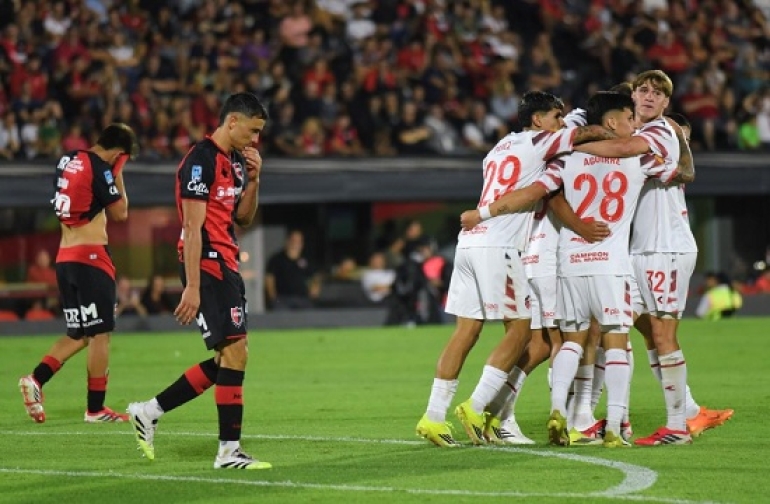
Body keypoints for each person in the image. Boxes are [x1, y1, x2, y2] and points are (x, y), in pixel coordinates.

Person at [415, 91, 616, 447]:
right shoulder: (542, 142)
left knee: (466, 331)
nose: (559, 122)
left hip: (469, 245)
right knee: (522, 332)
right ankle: (477, 407)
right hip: (499, 243)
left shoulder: (499, 149)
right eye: (555, 115)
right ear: (537, 120)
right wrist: (611, 127)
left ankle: (433, 417)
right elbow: (584, 136)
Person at [568, 71, 733, 444]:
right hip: (635, 250)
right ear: (632, 96)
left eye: (657, 94)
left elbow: (624, 151)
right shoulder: (628, 129)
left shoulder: (660, 133)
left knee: (661, 334)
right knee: (619, 328)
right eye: (643, 89)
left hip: (665, 248)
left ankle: (677, 427)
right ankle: (629, 418)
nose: (649, 96)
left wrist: (571, 146)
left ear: (665, 105)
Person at [126, 93, 272, 470]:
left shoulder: (238, 163)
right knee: (237, 352)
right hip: (206, 265)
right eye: (252, 131)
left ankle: (149, 410)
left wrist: (255, 180)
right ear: (233, 121)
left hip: (227, 263)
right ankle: (228, 452)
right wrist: (191, 286)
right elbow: (191, 228)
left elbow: (243, 218)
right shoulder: (199, 161)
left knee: (228, 357)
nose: (255, 140)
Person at [18, 123, 137, 424]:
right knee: (100, 334)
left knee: (80, 333)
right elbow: (121, 213)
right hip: (91, 257)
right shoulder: (101, 168)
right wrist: (118, 172)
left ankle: (36, 379)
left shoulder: (67, 159)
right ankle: (95, 409)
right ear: (119, 153)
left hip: (66, 257)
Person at [264, 229, 321, 310]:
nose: (296, 244)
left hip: (303, 299)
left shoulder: (306, 260)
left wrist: (315, 289)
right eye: (294, 240)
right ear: (288, 241)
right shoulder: (277, 260)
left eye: (299, 241)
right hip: (283, 300)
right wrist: (273, 298)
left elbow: (315, 276)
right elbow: (269, 279)